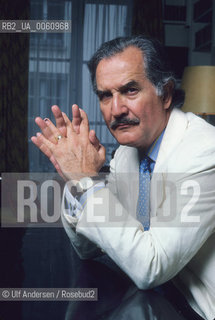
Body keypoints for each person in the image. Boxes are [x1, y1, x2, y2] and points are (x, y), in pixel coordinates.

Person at [31, 35, 215, 320]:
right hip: (159, 300)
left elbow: (149, 267)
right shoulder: (126, 155)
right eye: (105, 95)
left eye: (130, 90)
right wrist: (76, 180)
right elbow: (88, 248)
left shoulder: (205, 152)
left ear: (165, 94)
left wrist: (88, 182)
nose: (115, 109)